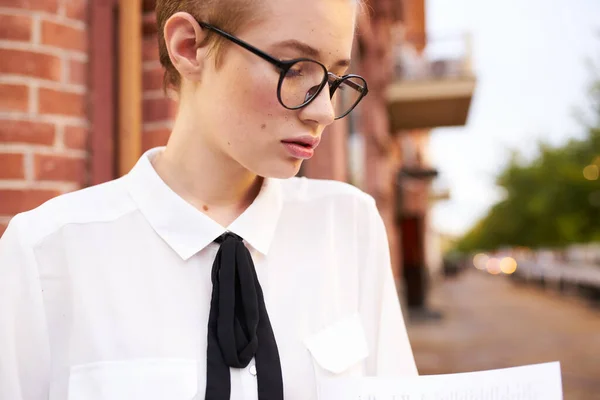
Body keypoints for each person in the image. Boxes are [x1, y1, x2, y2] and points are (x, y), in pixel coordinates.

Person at [0, 0, 418, 398]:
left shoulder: (347, 226)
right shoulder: (46, 253)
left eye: (335, 79)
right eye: (295, 69)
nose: (324, 111)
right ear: (188, 47)